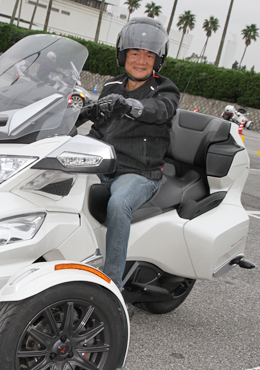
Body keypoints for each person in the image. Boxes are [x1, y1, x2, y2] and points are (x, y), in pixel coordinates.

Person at [78, 17, 180, 295]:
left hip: (138, 172)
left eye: (149, 55)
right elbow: (101, 127)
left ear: (158, 60)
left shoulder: (166, 89)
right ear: (123, 55)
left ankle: (112, 288)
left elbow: (161, 110)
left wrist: (130, 105)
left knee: (119, 203)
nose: (141, 61)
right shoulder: (112, 85)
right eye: (135, 53)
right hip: (103, 163)